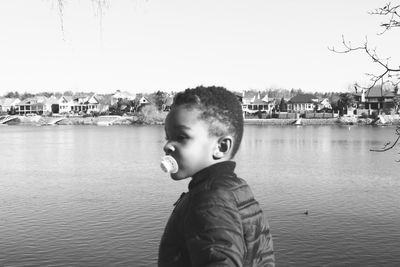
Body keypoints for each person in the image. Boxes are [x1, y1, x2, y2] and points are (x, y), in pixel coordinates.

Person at [158, 86, 274, 267]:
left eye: (181, 137)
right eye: (168, 137)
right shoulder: (236, 188)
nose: (167, 146)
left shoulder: (210, 200)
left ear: (221, 147)